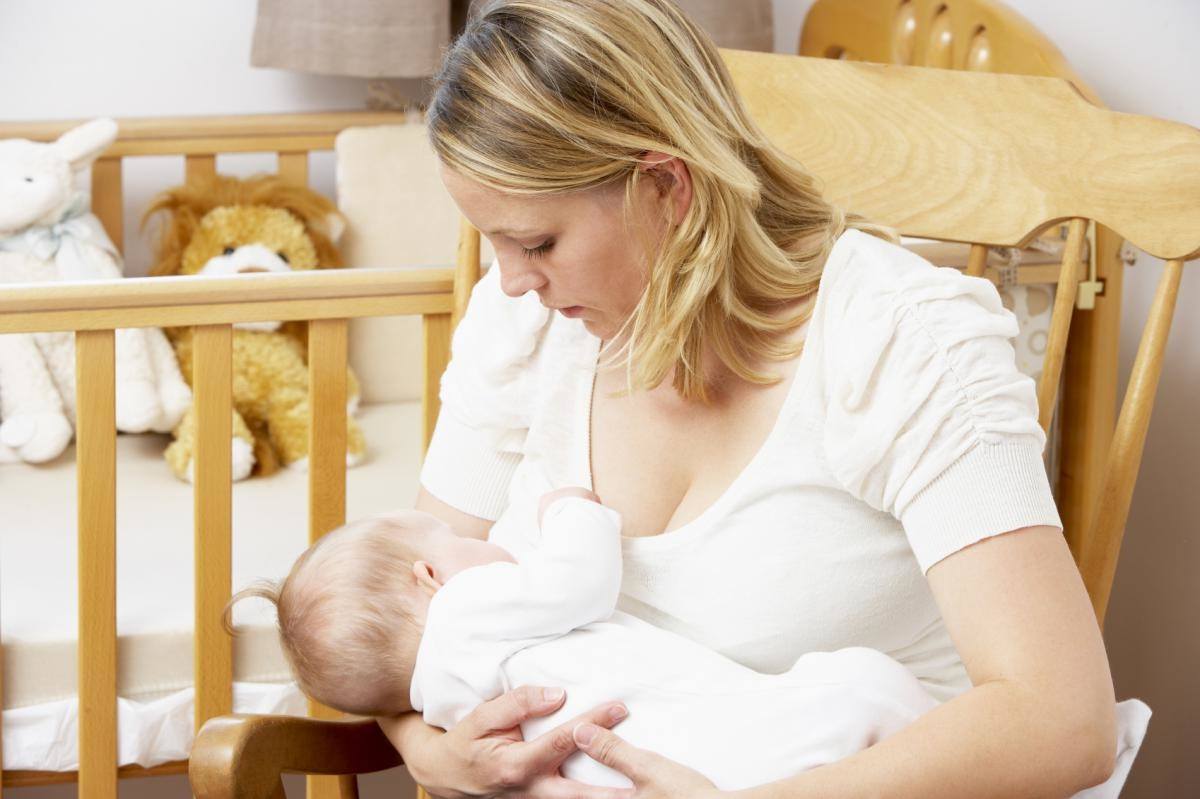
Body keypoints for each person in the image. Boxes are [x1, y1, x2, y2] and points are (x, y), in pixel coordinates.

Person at [375, 1, 1131, 796]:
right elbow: (391, 603)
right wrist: (427, 750)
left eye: (536, 241)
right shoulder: (525, 323)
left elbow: (1062, 719)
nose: (513, 279)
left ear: (667, 187)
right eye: (492, 240)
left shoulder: (899, 339)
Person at [230, 488, 941, 790]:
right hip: (715, 746)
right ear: (429, 576)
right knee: (861, 684)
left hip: (638, 773)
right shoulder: (467, 607)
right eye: (458, 541)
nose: (483, 545)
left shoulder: (445, 704)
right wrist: (572, 507)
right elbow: (579, 582)